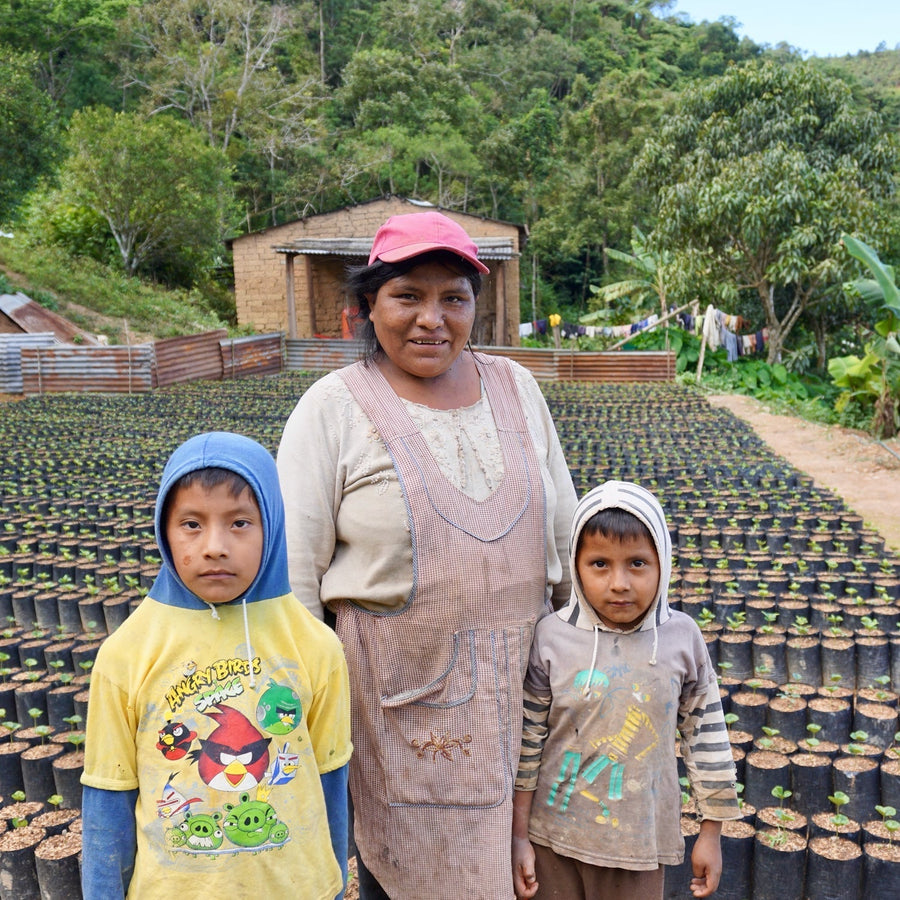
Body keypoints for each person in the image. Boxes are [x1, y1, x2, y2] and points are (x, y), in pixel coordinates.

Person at [277, 210, 578, 899]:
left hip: (527, 710)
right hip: (397, 724)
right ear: (367, 306)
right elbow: (295, 585)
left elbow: (562, 532)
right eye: (407, 295)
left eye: (454, 298)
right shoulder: (333, 410)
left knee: (531, 866)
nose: (431, 318)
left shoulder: (518, 389)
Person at [80, 432, 352, 899]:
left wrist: (334, 884)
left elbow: (331, 779)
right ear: (163, 530)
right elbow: (108, 794)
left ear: (273, 526)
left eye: (240, 522)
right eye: (191, 524)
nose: (214, 546)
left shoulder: (315, 646)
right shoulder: (127, 654)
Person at [511, 480, 739, 900]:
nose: (619, 583)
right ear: (576, 566)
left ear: (663, 564)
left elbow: (706, 737)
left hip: (638, 847)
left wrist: (712, 833)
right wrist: (520, 836)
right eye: (600, 564)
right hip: (552, 844)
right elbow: (527, 744)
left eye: (637, 563)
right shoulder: (551, 638)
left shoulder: (680, 638)